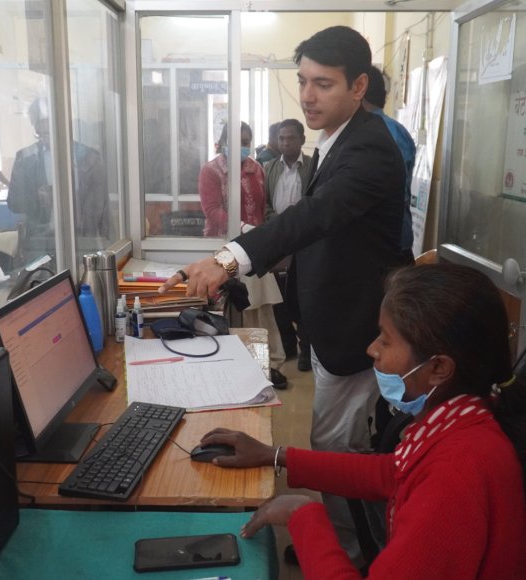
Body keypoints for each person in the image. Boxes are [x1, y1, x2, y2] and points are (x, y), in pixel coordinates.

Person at [162, 26, 406, 564]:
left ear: (359, 86)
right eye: (303, 81)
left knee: (339, 447)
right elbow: (316, 232)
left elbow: (313, 217)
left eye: (324, 84)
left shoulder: (370, 149)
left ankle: (356, 557)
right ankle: (345, 544)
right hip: (332, 318)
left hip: (357, 328)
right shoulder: (338, 138)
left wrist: (229, 258)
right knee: (333, 441)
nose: (308, 96)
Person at [197, 264, 526, 579]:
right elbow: (391, 473)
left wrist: (303, 515)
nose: (372, 349)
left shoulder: (458, 474)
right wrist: (274, 455)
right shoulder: (463, 418)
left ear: (438, 368)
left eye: (386, 340)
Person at [198, 121, 288, 388]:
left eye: (246, 141)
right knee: (235, 308)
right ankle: (234, 367)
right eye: (236, 141)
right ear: (224, 142)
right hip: (224, 249)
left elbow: (262, 207)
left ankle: (267, 365)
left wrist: (262, 235)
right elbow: (212, 210)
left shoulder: (256, 168)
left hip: (254, 247)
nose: (242, 146)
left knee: (260, 308)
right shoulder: (211, 171)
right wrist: (241, 227)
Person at [7, 98, 110, 259]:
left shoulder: (90, 157)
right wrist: (37, 197)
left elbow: (101, 206)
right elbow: (14, 202)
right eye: (39, 123)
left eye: (48, 121)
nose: (44, 128)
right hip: (40, 243)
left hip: (82, 241)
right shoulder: (25, 159)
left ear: (63, 120)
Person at [262, 118, 313, 371]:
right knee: (278, 295)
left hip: (306, 240)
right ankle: (288, 343)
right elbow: (265, 204)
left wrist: (299, 225)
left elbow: (315, 204)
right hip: (278, 238)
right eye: (281, 138)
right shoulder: (269, 168)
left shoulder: (313, 167)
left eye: (291, 138)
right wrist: (278, 223)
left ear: (302, 139)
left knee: (303, 295)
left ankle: (307, 348)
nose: (285, 143)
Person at [362, 66, 417, 264]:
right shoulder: (396, 130)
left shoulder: (376, 133)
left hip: (384, 249)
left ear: (358, 91)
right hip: (390, 243)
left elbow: (388, 193)